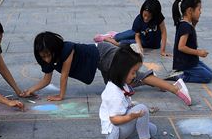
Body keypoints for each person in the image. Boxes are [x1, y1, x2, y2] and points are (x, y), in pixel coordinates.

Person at [22, 32, 191, 105]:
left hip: (104, 53)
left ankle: (175, 88)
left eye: (48, 54)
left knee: (130, 77)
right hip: (100, 62)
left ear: (55, 48)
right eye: (42, 56)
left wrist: (61, 96)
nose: (46, 58)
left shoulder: (66, 50)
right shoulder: (51, 59)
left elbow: (64, 76)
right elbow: (46, 78)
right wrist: (30, 90)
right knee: (125, 82)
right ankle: (159, 83)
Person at [99, 46, 169, 139]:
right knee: (142, 109)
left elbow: (123, 107)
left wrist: (131, 108)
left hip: (120, 132)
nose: (135, 76)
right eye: (133, 72)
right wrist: (131, 117)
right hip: (114, 132)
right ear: (122, 70)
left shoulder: (121, 84)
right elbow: (114, 119)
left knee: (152, 130)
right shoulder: (114, 92)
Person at [95, 0, 171, 58]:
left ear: (154, 15)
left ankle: (109, 39)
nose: (146, 18)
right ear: (142, 11)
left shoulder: (159, 18)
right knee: (118, 37)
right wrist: (140, 46)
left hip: (148, 42)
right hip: (138, 34)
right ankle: (113, 35)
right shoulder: (138, 19)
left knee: (122, 44)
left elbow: (163, 32)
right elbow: (137, 35)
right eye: (145, 15)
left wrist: (163, 50)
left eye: (149, 16)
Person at [170, 0, 212, 84]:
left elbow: (190, 37)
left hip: (191, 60)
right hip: (185, 63)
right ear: (190, 11)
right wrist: (199, 52)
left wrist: (194, 24)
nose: (200, 12)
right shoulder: (185, 26)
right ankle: (180, 76)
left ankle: (183, 72)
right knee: (208, 77)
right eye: (199, 9)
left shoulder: (186, 24)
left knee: (211, 72)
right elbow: (181, 47)